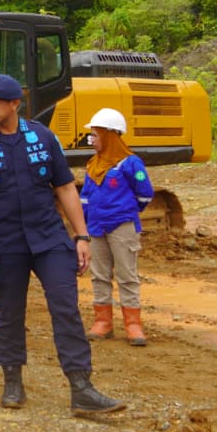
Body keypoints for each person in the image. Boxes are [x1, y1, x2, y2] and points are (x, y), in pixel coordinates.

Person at [0, 74, 125, 417]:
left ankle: (81, 388)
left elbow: (65, 188)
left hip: (49, 239)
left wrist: (81, 236)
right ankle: (12, 380)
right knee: (11, 312)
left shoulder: (43, 137)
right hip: (5, 243)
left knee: (66, 308)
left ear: (14, 104)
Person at [81, 107, 155, 347]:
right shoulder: (93, 165)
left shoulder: (131, 163)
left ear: (110, 135)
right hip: (96, 226)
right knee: (99, 275)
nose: (92, 140)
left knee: (126, 275)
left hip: (121, 226)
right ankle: (103, 323)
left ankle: (133, 325)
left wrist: (128, 211)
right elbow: (85, 196)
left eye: (96, 135)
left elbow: (145, 193)